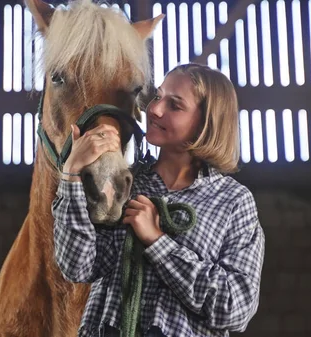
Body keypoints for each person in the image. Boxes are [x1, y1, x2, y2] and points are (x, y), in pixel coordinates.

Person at [52, 63, 265, 337]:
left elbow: (235, 308)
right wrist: (71, 177)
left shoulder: (233, 201)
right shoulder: (125, 183)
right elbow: (77, 266)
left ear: (206, 123)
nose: (154, 109)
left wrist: (157, 241)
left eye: (175, 105)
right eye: (158, 96)